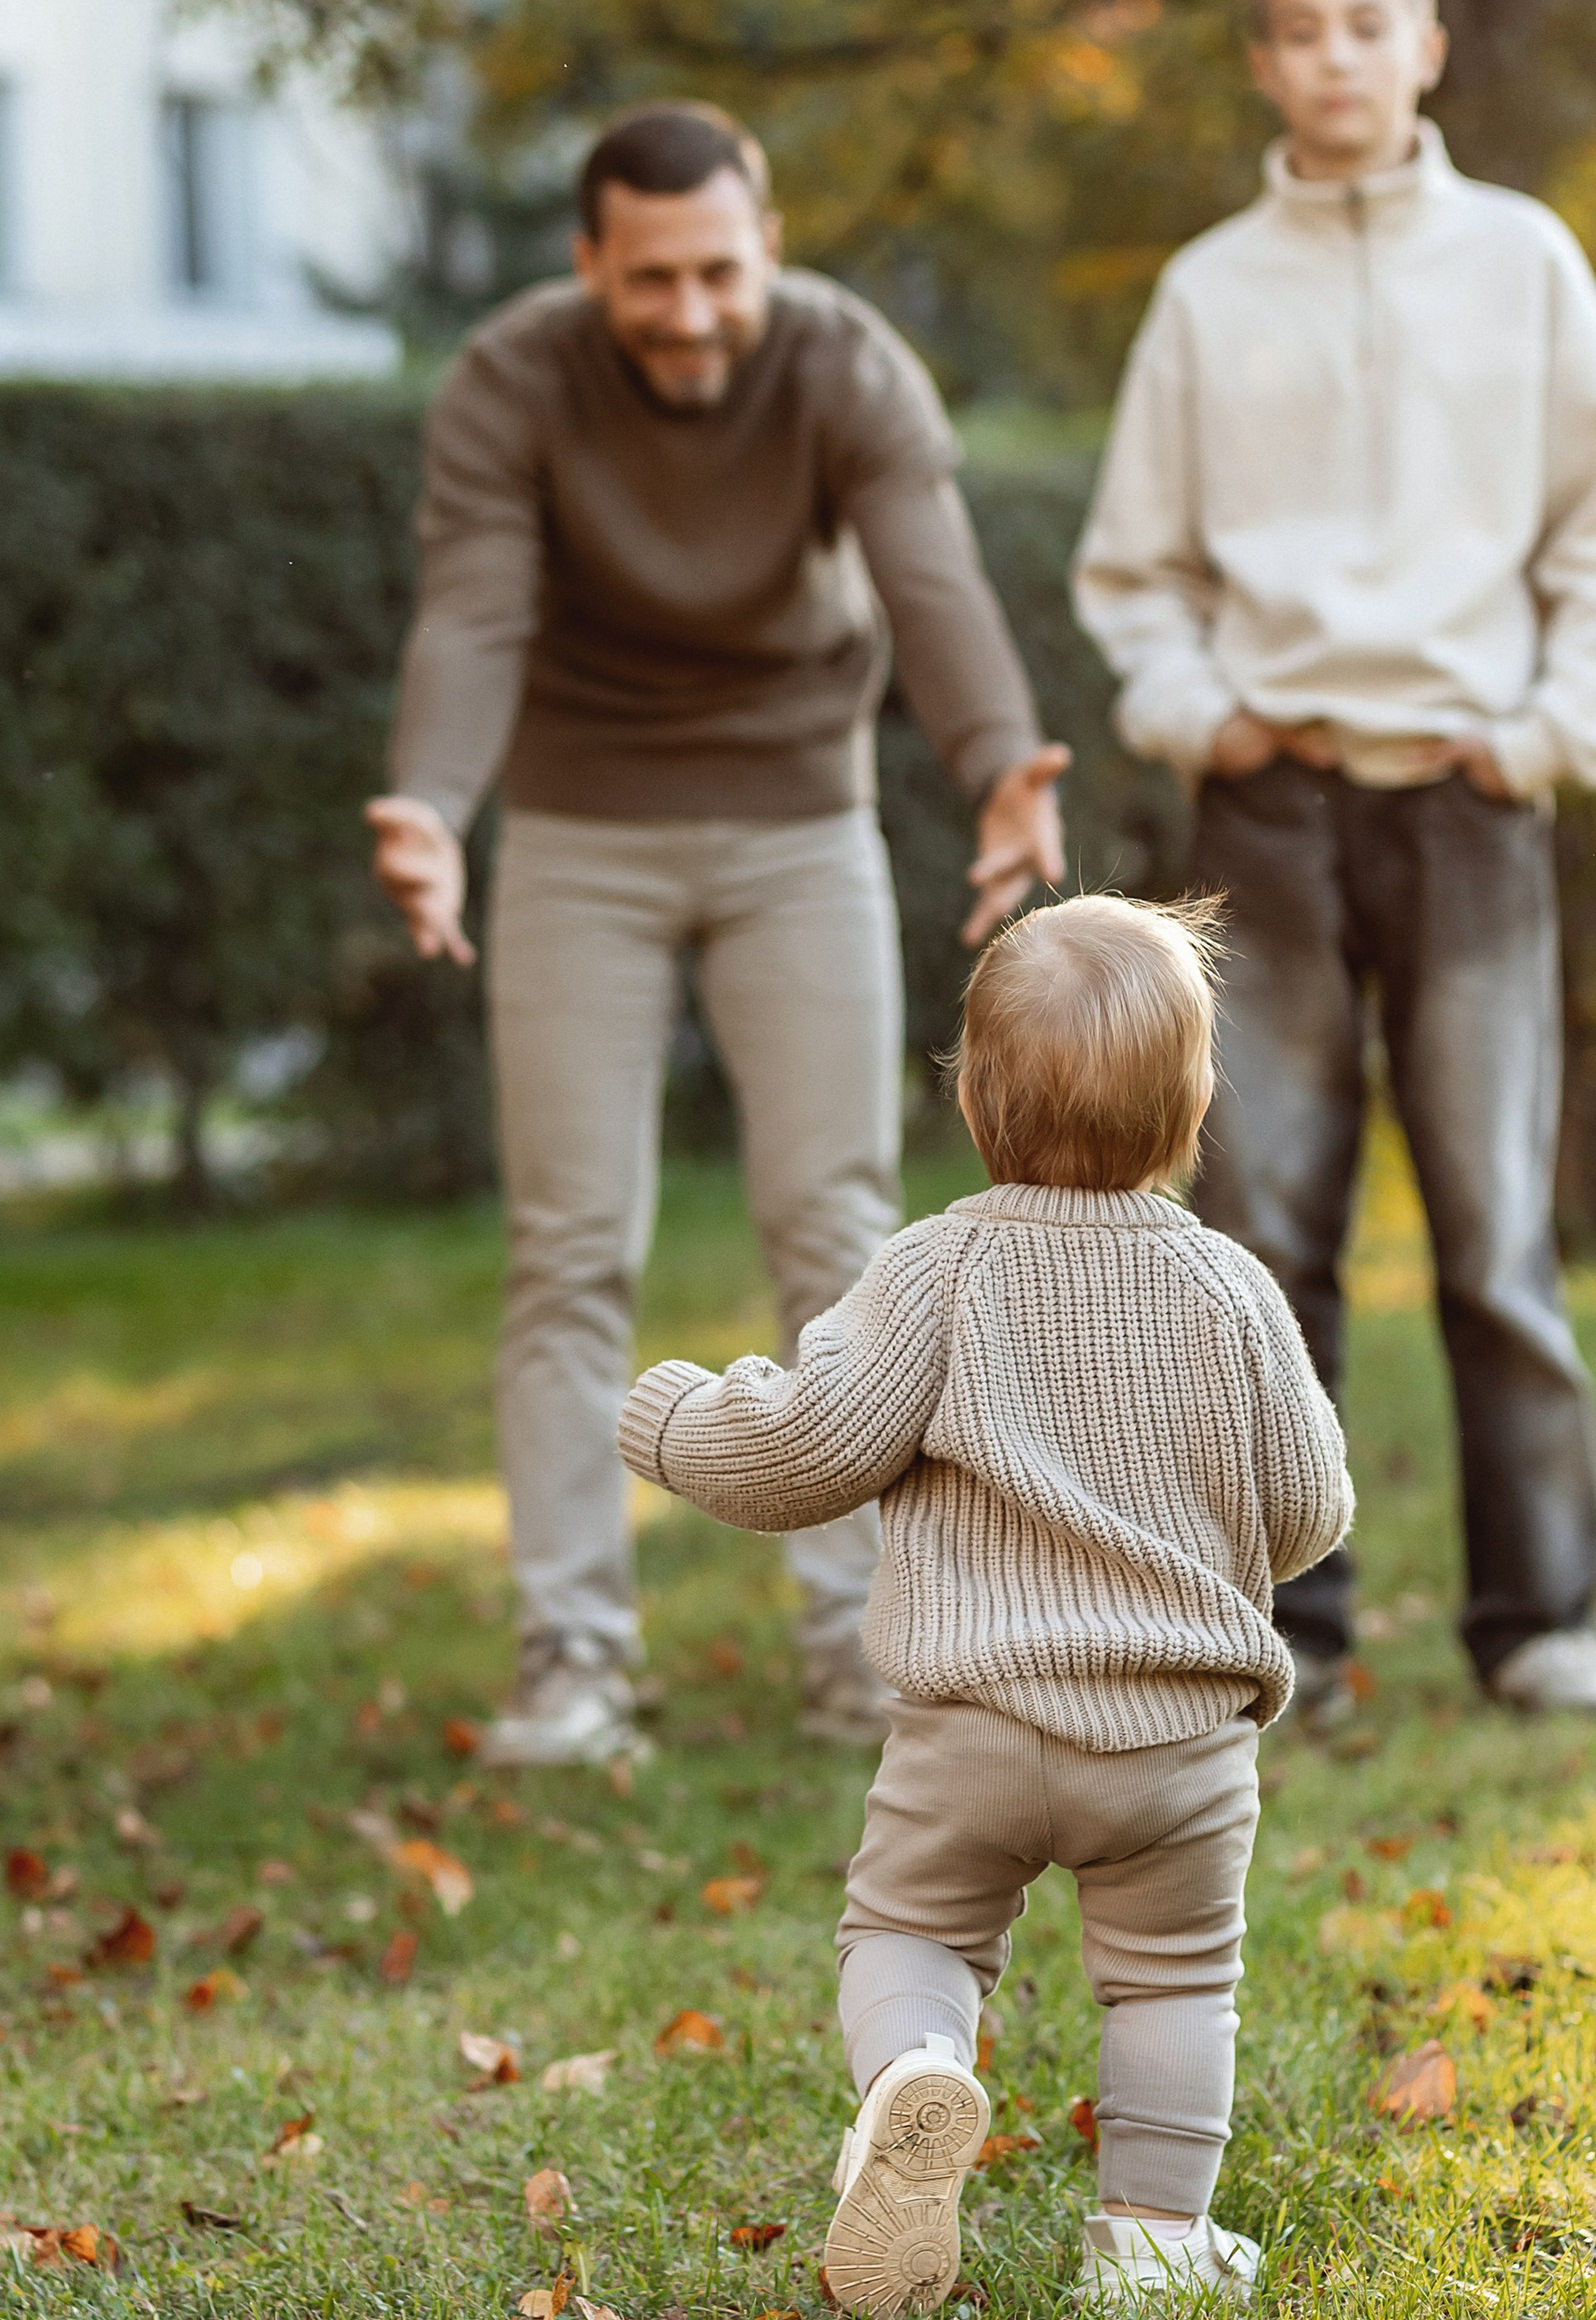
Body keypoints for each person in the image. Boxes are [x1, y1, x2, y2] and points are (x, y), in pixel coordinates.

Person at [365, 99, 1068, 1766]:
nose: (690, 313)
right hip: (579, 833)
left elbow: (932, 581)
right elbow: (473, 603)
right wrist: (431, 801)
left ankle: (865, 1642)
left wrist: (997, 764)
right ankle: (572, 1654)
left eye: (720, 274)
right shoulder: (515, 380)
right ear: (589, 260)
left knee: (836, 1237)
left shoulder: (843, 362)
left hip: (796, 825)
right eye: (651, 278)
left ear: (769, 244)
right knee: (570, 1243)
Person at [1073, 0, 1596, 1727]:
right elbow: (1135, 566)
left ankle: (1540, 1619)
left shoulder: (1520, 264)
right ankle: (1282, 1636)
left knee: (1493, 1222)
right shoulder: (1207, 290)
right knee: (1262, 1228)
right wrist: (1202, 712)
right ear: (1259, 64)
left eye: (1367, 25)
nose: (1332, 56)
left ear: (1424, 48)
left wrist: (1551, 732)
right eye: (1297, 32)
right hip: (1262, 805)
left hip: (1467, 800)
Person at [618, 894, 1352, 2313]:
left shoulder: (938, 1269)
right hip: (1177, 1748)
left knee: (914, 1936)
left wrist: (673, 1420)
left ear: (977, 1097)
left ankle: (917, 2075)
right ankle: (1151, 2243)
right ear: (1192, 1106)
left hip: (977, 1728)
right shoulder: (1234, 1291)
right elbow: (1313, 1508)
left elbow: (803, 1452)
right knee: (1174, 1988)